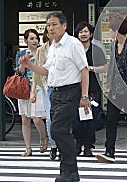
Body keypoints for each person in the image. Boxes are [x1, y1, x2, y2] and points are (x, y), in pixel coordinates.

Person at [19, 12, 90, 182]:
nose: (50, 28)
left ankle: (70, 170)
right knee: (60, 131)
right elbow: (46, 71)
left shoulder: (73, 44)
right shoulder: (52, 47)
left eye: (54, 24)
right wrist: (30, 65)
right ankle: (68, 172)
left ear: (64, 26)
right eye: (48, 25)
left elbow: (84, 70)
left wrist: (85, 95)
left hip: (70, 92)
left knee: (57, 130)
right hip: (54, 93)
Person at [95, 15, 127, 163]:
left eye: (110, 29)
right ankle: (109, 151)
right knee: (110, 120)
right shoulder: (113, 45)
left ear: (116, 30)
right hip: (115, 89)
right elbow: (112, 66)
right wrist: (108, 83)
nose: (109, 31)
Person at [74, 21, 108, 157]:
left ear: (91, 33)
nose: (83, 34)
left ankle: (88, 146)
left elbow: (105, 66)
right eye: (81, 32)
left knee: (90, 117)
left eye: (86, 31)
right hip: (76, 87)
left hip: (93, 87)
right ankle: (77, 144)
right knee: (77, 119)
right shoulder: (74, 50)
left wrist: (91, 69)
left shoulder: (96, 50)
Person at [15, 29, 47, 157]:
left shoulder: (42, 52)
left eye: (36, 38)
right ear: (25, 40)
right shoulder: (21, 54)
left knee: (37, 118)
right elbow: (18, 72)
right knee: (25, 119)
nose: (35, 41)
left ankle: (43, 137)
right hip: (24, 89)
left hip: (39, 88)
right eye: (32, 38)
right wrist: (24, 62)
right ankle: (28, 148)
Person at [31, 27, 59, 160]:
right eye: (49, 33)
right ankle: (53, 145)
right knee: (49, 116)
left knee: (61, 116)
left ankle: (62, 144)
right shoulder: (42, 50)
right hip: (47, 87)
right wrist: (33, 91)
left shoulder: (64, 47)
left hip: (62, 86)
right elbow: (36, 70)